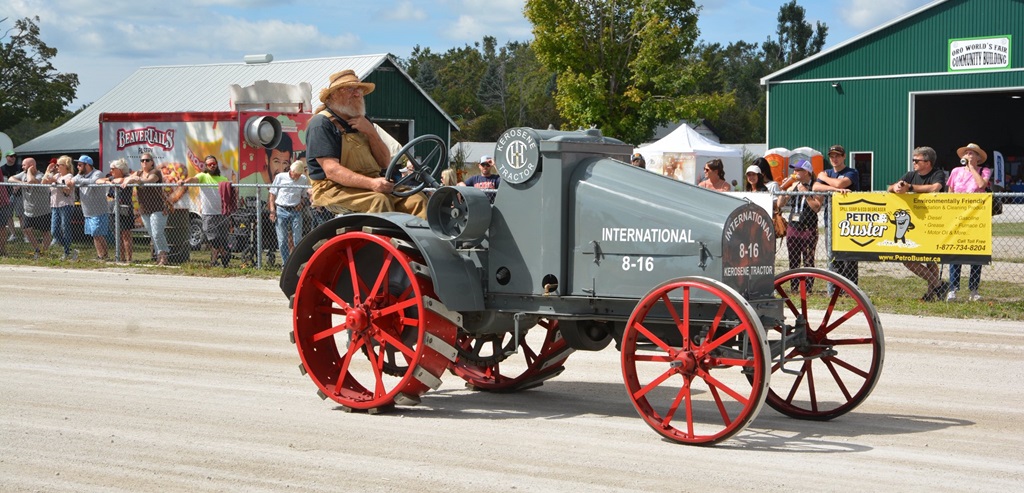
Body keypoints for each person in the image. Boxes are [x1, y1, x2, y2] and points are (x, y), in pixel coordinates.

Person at [305, 69, 426, 218]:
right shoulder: (322, 124)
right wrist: (372, 184)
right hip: (333, 189)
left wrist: (372, 133)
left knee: (417, 199)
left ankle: (418, 241)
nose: (357, 93)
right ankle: (384, 241)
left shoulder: (364, 121)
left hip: (368, 185)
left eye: (359, 89)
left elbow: (384, 162)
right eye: (350, 89)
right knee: (380, 201)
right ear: (334, 95)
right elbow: (332, 171)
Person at [887, 146, 948, 301]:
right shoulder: (910, 175)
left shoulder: (937, 174)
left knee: (930, 259)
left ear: (927, 162)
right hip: (913, 223)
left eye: (917, 160)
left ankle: (930, 293)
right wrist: (897, 187)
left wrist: (911, 187)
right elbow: (891, 188)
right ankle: (938, 285)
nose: (913, 162)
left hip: (933, 223)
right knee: (907, 259)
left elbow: (935, 188)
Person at [946, 143, 991, 302]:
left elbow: (981, 185)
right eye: (967, 152)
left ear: (978, 157)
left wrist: (972, 168)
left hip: (976, 217)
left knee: (975, 254)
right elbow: (950, 192)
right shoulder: (955, 171)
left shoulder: (984, 171)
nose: (969, 155)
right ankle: (953, 289)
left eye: (972, 153)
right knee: (955, 252)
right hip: (958, 216)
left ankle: (973, 289)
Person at [813, 144, 861, 289]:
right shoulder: (827, 172)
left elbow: (842, 183)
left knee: (849, 258)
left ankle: (851, 289)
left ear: (844, 157)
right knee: (833, 257)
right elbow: (815, 187)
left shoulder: (852, 172)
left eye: (837, 156)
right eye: (832, 156)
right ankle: (834, 289)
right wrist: (834, 189)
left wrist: (824, 178)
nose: (834, 159)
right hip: (831, 220)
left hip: (848, 221)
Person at [776, 159, 823, 292]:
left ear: (806, 172)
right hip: (793, 227)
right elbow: (780, 204)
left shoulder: (815, 186)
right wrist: (784, 189)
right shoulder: (794, 185)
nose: (795, 172)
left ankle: (807, 288)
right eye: (794, 170)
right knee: (793, 260)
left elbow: (817, 208)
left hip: (808, 228)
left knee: (808, 260)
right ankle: (794, 288)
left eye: (798, 170)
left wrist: (805, 193)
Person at [181, 155, 231, 266]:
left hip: (222, 214)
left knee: (221, 239)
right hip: (208, 213)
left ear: (217, 164)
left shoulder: (223, 180)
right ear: (206, 166)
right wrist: (185, 182)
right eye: (209, 164)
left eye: (214, 163)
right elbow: (194, 179)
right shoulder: (203, 176)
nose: (212, 166)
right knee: (212, 237)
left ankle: (215, 261)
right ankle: (224, 253)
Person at [123, 152, 170, 265]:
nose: (144, 162)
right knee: (152, 234)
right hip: (144, 209)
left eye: (147, 160)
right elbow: (128, 179)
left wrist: (136, 179)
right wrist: (130, 179)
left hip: (159, 208)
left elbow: (149, 181)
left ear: (152, 162)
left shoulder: (155, 172)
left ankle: (164, 256)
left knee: (157, 233)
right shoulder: (138, 173)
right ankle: (159, 256)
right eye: (142, 160)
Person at [9, 157, 53, 259]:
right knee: (27, 230)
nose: (22, 166)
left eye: (24, 165)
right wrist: (22, 183)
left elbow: (32, 181)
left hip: (43, 210)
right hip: (29, 211)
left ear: (31, 165)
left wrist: (29, 171)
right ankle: (37, 250)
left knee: (45, 232)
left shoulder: (41, 175)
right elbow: (11, 178)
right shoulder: (23, 174)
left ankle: (44, 252)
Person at [268, 160, 311, 265]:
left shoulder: (303, 179)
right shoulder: (280, 177)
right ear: (291, 171)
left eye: (299, 175)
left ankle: (297, 263)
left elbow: (304, 195)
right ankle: (285, 264)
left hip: (295, 211)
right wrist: (272, 211)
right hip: (281, 210)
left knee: (298, 239)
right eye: (295, 174)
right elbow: (272, 194)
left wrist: (301, 204)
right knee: (282, 240)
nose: (296, 177)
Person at [71, 155, 110, 260]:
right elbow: (72, 180)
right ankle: (100, 255)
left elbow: (94, 181)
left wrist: (79, 181)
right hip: (87, 211)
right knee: (94, 235)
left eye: (80, 165)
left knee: (97, 233)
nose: (78, 167)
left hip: (99, 210)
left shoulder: (97, 173)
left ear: (87, 165)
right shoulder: (80, 175)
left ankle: (104, 255)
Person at [99, 159, 135, 262]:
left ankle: (129, 259)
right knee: (117, 235)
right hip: (113, 210)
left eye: (113, 169)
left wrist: (113, 181)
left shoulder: (127, 177)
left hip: (124, 209)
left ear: (120, 169)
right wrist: (110, 180)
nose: (111, 171)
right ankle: (120, 257)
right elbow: (98, 181)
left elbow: (121, 181)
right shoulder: (112, 178)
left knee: (126, 235)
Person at [42, 156, 77, 260]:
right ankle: (69, 249)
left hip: (65, 204)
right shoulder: (56, 175)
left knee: (65, 228)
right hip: (54, 205)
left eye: (58, 165)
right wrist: (47, 171)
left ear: (65, 166)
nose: (56, 167)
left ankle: (67, 252)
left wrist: (55, 182)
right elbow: (43, 183)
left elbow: (67, 190)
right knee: (54, 231)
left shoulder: (69, 176)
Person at [3, 150, 28, 243]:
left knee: (21, 215)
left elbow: (24, 178)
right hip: (7, 195)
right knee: (8, 215)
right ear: (6, 157)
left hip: (19, 195)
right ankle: (13, 234)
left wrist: (19, 185)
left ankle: (25, 235)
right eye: (11, 156)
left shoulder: (19, 168)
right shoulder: (2, 168)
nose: (13, 158)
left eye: (14, 156)